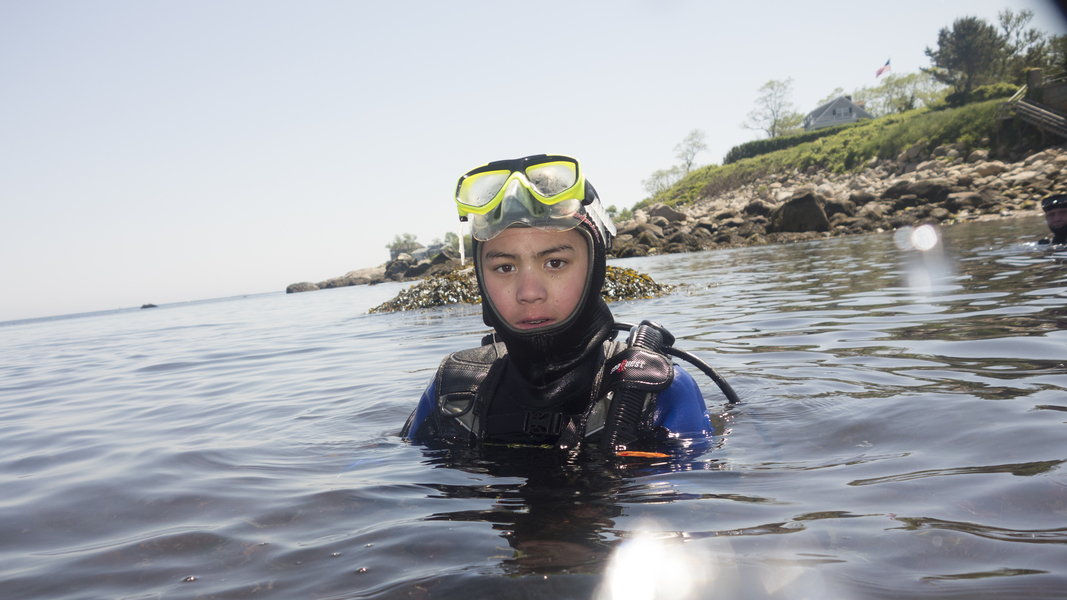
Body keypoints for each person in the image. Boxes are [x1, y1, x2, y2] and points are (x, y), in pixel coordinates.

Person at [400, 154, 737, 454]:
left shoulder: (657, 391)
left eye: (555, 263)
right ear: (481, 277)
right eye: (504, 267)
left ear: (595, 268)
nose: (529, 292)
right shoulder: (452, 392)